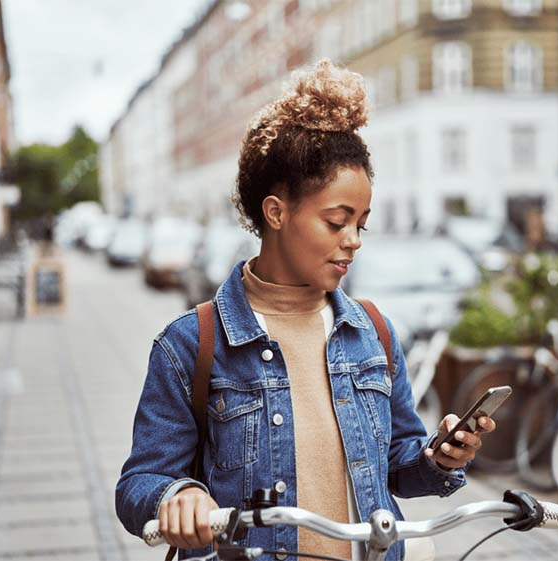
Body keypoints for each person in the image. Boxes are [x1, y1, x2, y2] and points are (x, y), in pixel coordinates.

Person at [115, 60, 496, 561]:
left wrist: (440, 457)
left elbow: (397, 467)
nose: (354, 240)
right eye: (337, 221)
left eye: (362, 222)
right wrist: (177, 496)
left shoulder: (372, 332)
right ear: (276, 213)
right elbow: (140, 481)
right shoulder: (191, 343)